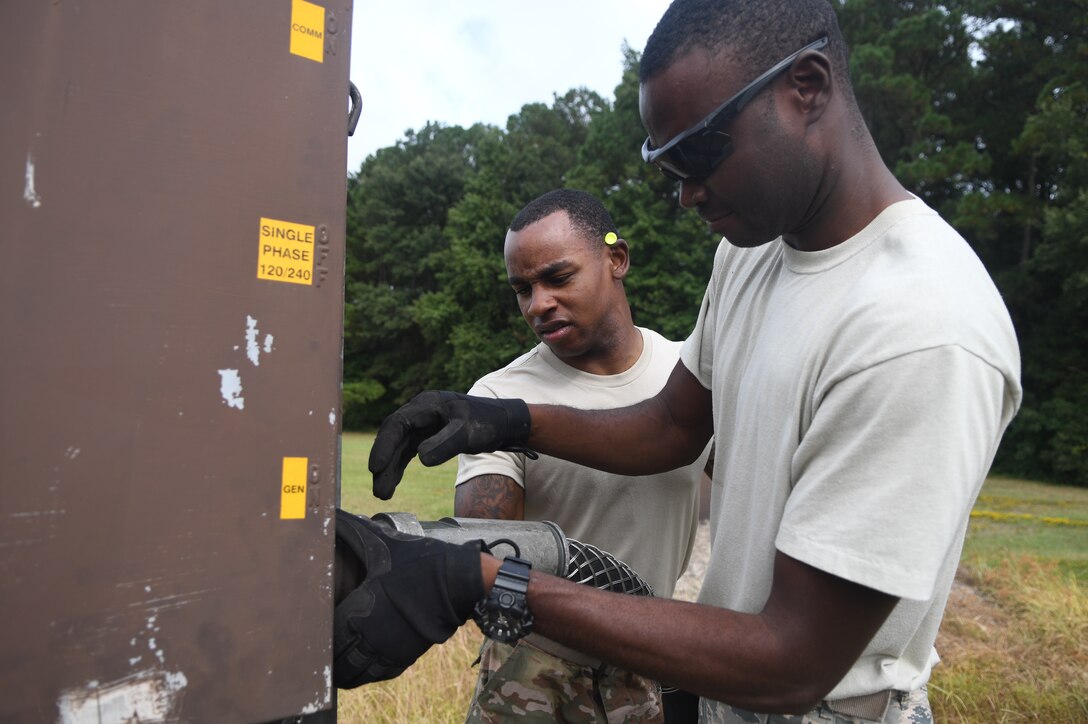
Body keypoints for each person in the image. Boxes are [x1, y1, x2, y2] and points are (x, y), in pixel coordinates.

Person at [350, 0, 1023, 721]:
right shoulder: (750, 255)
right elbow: (671, 426)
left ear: (807, 85)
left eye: (700, 153)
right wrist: (501, 418)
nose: (685, 193)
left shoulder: (919, 325)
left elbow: (792, 662)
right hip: (727, 696)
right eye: (665, 165)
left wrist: (485, 582)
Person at [454, 189, 710, 723]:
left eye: (557, 277)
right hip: (531, 669)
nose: (537, 304)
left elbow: (755, 497)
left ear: (616, 259)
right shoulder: (500, 399)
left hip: (651, 661)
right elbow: (485, 558)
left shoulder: (689, 380)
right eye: (522, 289)